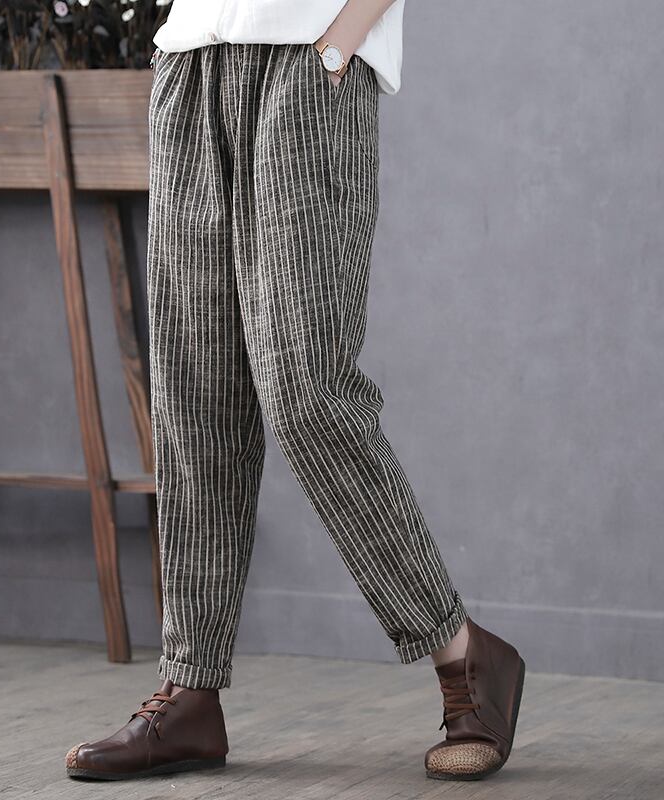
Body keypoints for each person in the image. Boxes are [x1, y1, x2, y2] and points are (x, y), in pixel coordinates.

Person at [65, 0, 525, 783]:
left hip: (308, 65)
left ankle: (463, 653)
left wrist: (338, 46)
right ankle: (190, 692)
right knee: (195, 394)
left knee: (308, 390)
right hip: (191, 62)